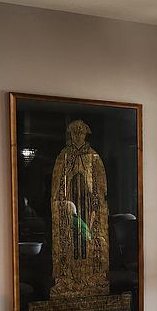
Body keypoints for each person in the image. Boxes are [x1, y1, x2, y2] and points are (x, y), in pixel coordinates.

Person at [49, 119, 110, 298]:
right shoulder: (63, 156)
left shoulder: (93, 157)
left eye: (81, 132)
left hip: (89, 207)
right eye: (74, 133)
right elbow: (57, 184)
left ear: (85, 134)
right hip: (70, 207)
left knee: (91, 239)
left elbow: (101, 185)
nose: (77, 136)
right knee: (67, 240)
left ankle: (94, 278)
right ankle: (66, 279)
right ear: (70, 134)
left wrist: (97, 201)